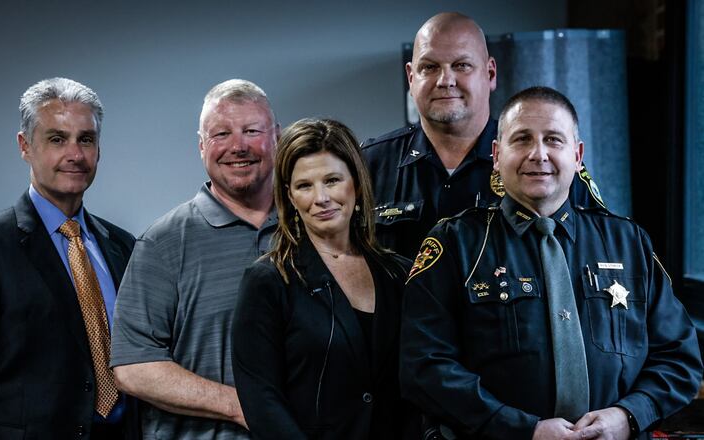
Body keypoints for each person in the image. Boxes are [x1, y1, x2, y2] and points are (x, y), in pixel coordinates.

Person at [400, 86, 703, 439]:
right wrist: (522, 430)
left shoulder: (628, 243)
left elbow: (679, 358)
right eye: (522, 140)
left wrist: (628, 416)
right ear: (497, 155)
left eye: (554, 140)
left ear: (577, 155)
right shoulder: (455, 244)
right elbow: (424, 367)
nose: (538, 154)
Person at [0, 77, 139, 439]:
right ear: (25, 146)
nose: (75, 154)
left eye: (85, 140)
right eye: (57, 139)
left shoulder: (122, 245)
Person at [110, 79, 278, 439]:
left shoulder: (309, 228)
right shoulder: (163, 243)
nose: (238, 146)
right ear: (201, 146)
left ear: (277, 136)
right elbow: (132, 366)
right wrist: (240, 405)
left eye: (252, 130)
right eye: (221, 135)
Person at [361, 12, 605, 258]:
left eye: (461, 65)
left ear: (490, 74)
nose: (445, 80)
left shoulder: (544, 164)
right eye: (430, 67)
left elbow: (594, 251)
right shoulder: (369, 164)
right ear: (412, 78)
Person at [232, 118, 415, 439]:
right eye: (305, 185)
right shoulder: (268, 281)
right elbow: (262, 400)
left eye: (332, 180)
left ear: (356, 183)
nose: (321, 198)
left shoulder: (398, 273)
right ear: (289, 196)